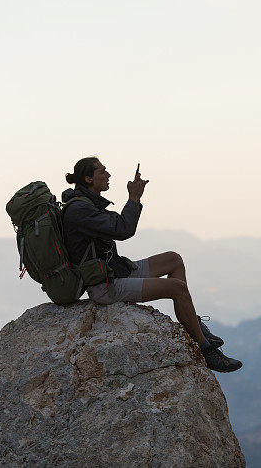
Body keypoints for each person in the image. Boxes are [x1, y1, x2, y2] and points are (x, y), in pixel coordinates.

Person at [61, 156, 243, 373]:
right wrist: (134, 198)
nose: (108, 175)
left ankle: (192, 322)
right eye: (102, 172)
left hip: (117, 270)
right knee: (178, 289)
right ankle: (205, 349)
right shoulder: (80, 210)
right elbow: (123, 229)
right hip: (104, 286)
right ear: (88, 178)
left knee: (174, 260)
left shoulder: (87, 204)